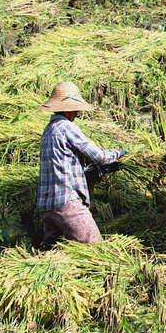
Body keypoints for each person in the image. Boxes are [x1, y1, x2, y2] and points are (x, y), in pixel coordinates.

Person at [37, 81, 125, 246]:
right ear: (69, 109)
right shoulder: (66, 127)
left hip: (46, 206)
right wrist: (116, 155)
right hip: (67, 203)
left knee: (54, 253)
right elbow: (98, 156)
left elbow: (62, 167)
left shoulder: (48, 131)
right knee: (94, 247)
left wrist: (91, 172)